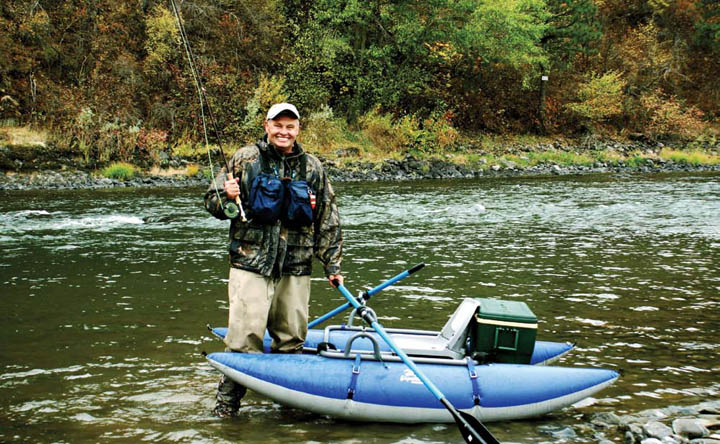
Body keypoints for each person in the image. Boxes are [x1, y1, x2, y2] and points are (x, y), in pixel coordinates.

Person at [204, 103, 343, 417]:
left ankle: (290, 410)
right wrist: (226, 195)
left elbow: (328, 218)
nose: (284, 131)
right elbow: (211, 202)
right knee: (241, 342)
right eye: (278, 125)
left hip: (296, 266)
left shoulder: (313, 168)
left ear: (298, 129)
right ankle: (226, 409)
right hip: (250, 264)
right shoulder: (244, 159)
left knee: (291, 339)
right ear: (266, 126)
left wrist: (332, 265)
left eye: (290, 126)